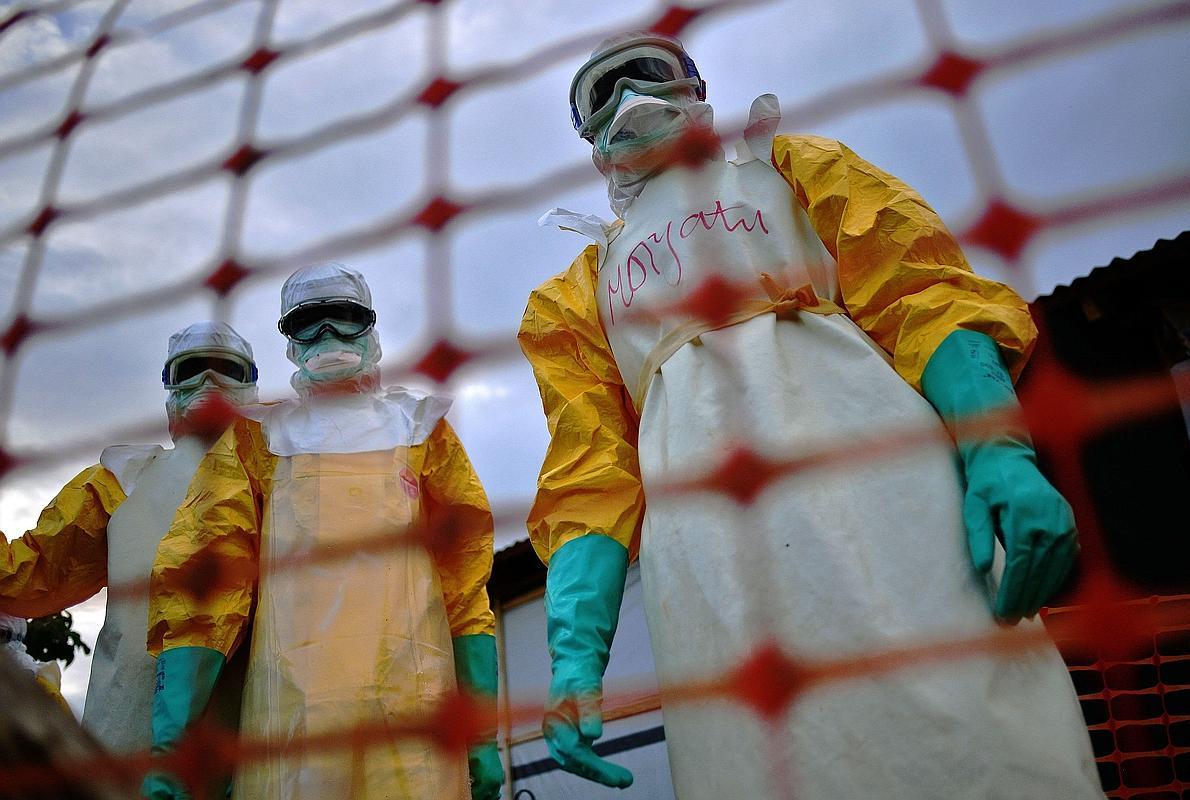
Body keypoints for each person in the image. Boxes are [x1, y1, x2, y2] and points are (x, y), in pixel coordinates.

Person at [518, 32, 1103, 799]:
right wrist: (574, 656)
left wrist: (999, 451)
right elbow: (589, 473)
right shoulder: (575, 296)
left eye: (649, 75)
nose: (631, 99)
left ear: (695, 90)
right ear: (590, 138)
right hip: (707, 558)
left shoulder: (794, 170)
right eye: (604, 94)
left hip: (886, 490)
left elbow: (923, 297)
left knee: (972, 716)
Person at [144, 262, 502, 800]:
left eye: (343, 317)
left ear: (370, 326)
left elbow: (466, 586)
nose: (327, 335)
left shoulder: (421, 430)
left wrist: (481, 733)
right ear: (289, 340)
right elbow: (206, 587)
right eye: (307, 323)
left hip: (415, 719)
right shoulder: (259, 439)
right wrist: (171, 743)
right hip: (292, 718)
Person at [0, 321, 259, 755]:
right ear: (170, 389)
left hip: (257, 743)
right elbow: (27, 575)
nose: (208, 383)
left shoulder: (289, 474)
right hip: (129, 734)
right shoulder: (121, 482)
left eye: (227, 370)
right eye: (191, 370)